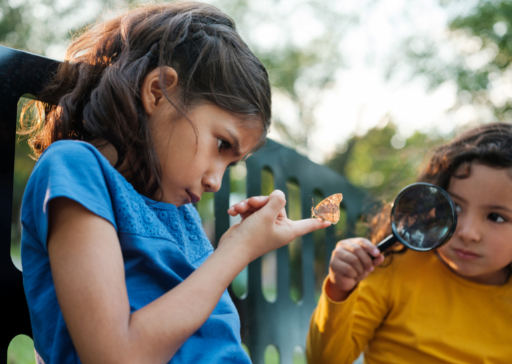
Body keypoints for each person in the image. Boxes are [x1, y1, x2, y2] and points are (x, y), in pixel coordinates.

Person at [19, 3, 331, 364]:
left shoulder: (181, 216)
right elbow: (115, 356)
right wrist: (237, 250)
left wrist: (234, 246)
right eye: (221, 145)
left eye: (232, 164)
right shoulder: (75, 169)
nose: (215, 181)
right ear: (158, 91)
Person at [306, 123, 512, 364]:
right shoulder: (394, 263)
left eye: (496, 217)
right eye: (454, 207)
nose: (468, 233)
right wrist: (340, 289)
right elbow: (325, 360)